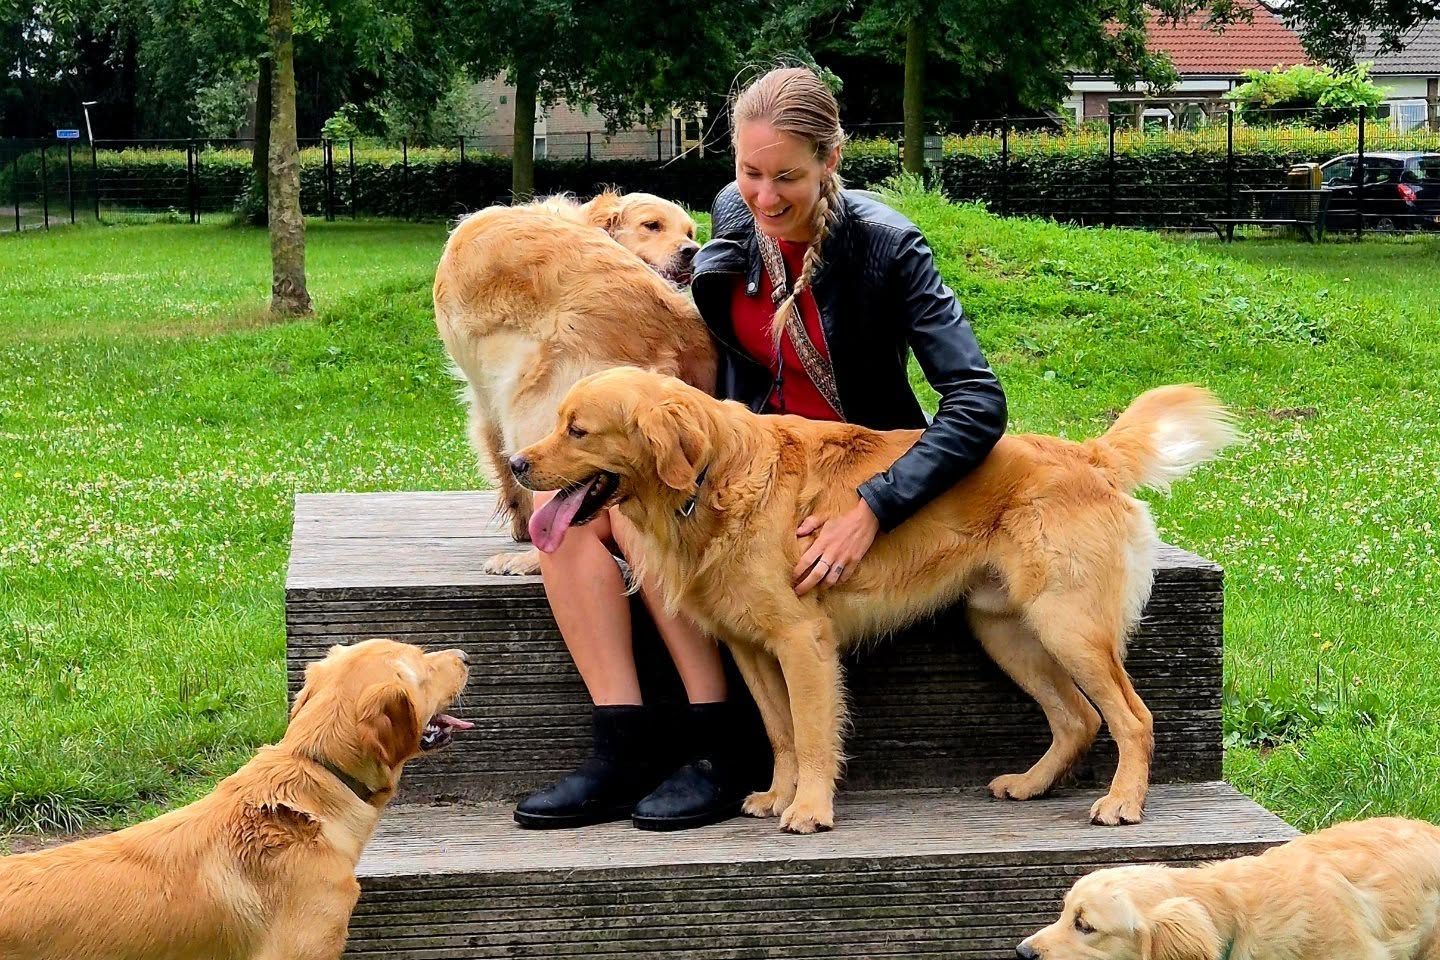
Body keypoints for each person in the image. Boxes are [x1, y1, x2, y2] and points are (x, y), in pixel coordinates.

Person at [513, 65, 1008, 832]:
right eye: (750, 172)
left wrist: (874, 507)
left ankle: (719, 738)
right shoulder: (730, 217)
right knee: (574, 513)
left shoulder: (887, 246)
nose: (765, 197)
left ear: (830, 162)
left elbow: (978, 402)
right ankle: (622, 745)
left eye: (787, 178)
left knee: (654, 524)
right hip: (750, 456)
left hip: (841, 472)